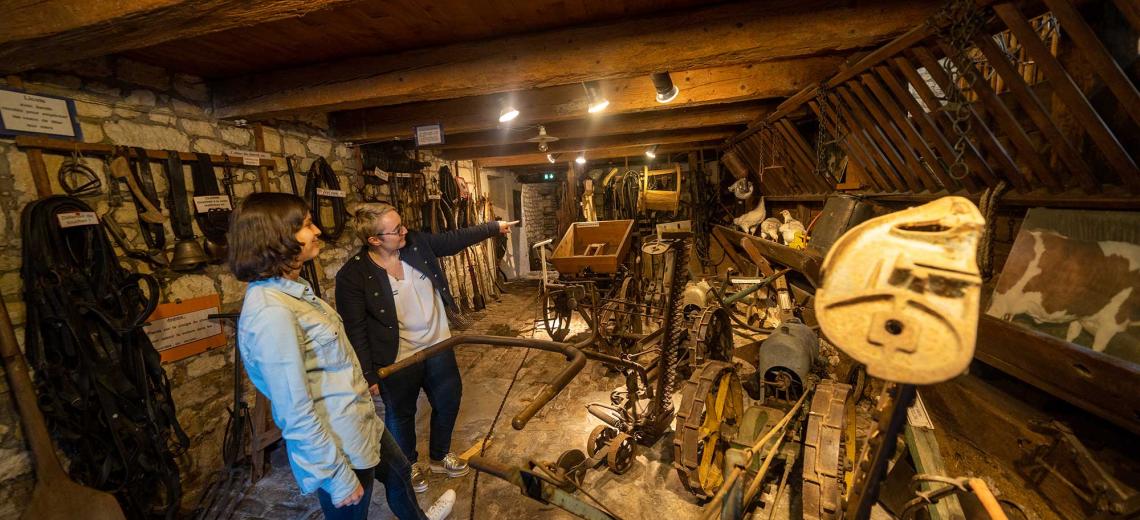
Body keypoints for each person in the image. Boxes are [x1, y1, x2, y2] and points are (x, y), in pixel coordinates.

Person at [228, 193, 454, 520]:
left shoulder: (296, 291)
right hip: (339, 444)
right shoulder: (270, 313)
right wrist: (335, 476)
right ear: (275, 237)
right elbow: (295, 411)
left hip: (359, 422)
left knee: (399, 474)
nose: (317, 230)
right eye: (306, 225)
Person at [336, 203, 514, 493]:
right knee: (401, 413)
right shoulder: (353, 275)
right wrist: (368, 375)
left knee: (448, 401)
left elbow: (454, 239)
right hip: (397, 358)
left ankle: (439, 455)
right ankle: (409, 466)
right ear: (374, 240)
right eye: (397, 230)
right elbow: (355, 329)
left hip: (439, 345)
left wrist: (493, 227)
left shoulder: (415, 245)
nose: (405, 231)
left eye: (402, 225)